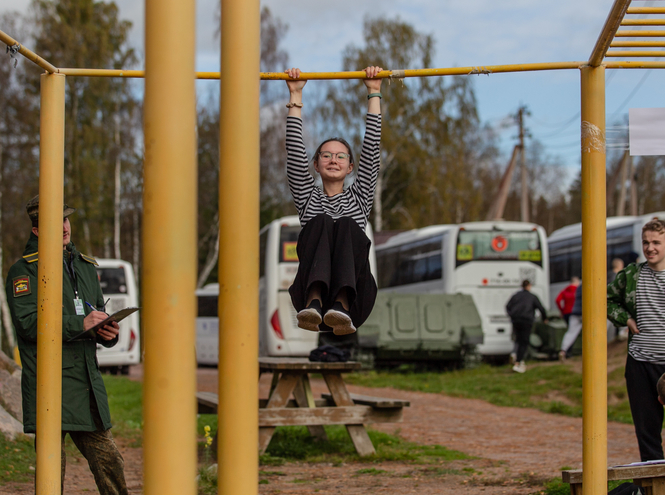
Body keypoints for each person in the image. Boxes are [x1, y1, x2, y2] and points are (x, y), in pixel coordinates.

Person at [5, 195, 128, 494]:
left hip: (86, 384)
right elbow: (28, 324)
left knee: (111, 464)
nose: (63, 227)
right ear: (36, 230)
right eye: (53, 222)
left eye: (65, 219)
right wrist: (80, 324)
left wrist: (107, 332)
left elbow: (96, 311)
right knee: (50, 477)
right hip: (50, 385)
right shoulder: (24, 271)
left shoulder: (85, 266)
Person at [284, 66, 382, 336]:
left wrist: (374, 91)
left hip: (355, 300)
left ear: (351, 167)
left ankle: (342, 305)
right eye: (326, 155)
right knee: (322, 222)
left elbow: (372, 151)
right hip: (308, 299)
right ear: (315, 165)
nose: (333, 160)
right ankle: (314, 300)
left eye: (341, 156)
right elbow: (293, 154)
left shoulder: (359, 198)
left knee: (347, 226)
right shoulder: (308, 197)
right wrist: (295, 95)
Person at [608, 218, 665, 462]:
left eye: (656, 242)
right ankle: (655, 485)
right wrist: (626, 320)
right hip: (640, 363)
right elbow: (606, 299)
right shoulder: (631, 275)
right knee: (647, 430)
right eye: (645, 242)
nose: (650, 247)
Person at [505, 280, 548, 373]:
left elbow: (507, 306)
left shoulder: (516, 295)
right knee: (524, 341)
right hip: (526, 321)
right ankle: (518, 363)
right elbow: (541, 308)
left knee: (517, 339)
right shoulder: (532, 296)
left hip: (516, 320)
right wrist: (545, 318)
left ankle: (515, 354)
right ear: (529, 286)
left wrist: (512, 315)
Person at [559, 283, 582, 361]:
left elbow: (558, 300)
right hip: (586, 313)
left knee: (571, 333)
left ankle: (563, 350)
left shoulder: (576, 288)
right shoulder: (589, 285)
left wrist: (561, 311)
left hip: (573, 313)